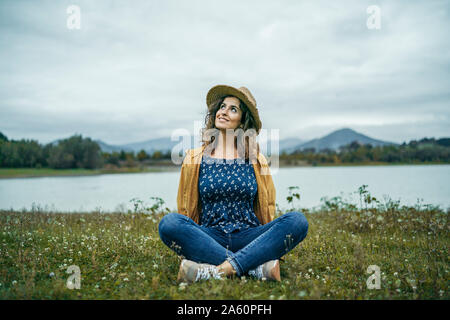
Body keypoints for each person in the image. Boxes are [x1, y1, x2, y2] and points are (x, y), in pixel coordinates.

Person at [158, 84, 308, 283]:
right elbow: (185, 207)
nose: (224, 112)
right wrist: (191, 242)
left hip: (250, 235)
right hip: (210, 235)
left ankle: (216, 270)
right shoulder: (195, 158)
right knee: (169, 223)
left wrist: (265, 243)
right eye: (222, 106)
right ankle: (255, 268)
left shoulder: (256, 160)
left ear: (242, 121)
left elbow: (267, 206)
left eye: (233, 109)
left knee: (297, 221)